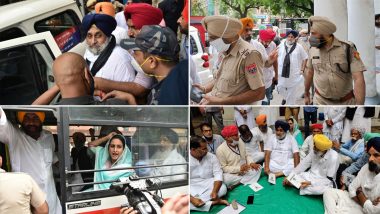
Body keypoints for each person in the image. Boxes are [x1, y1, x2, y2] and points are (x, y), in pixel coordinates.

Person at [94, 3, 164, 100]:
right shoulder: (129, 42)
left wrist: (100, 83)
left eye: (134, 27)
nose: (129, 33)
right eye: (128, 27)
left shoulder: (153, 50)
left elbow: (141, 88)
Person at [0, 108, 61, 214]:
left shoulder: (49, 136)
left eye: (35, 118)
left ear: (41, 120)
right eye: (26, 118)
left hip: (52, 200)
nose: (31, 122)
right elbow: (2, 121)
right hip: (29, 203)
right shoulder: (14, 135)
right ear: (21, 120)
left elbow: (52, 158)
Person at [107, 25, 187, 105]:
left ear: (151, 61)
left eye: (135, 53)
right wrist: (130, 99)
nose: (133, 56)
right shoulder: (181, 80)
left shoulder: (165, 96)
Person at [195, 15, 265, 105]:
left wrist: (220, 101)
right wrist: (205, 89)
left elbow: (259, 93)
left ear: (227, 36)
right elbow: (222, 78)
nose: (210, 41)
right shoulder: (226, 51)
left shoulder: (249, 54)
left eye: (213, 38)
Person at [304, 16, 366, 105]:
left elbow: (358, 78)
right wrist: (306, 93)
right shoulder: (312, 49)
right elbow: (309, 72)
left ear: (325, 32)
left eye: (313, 33)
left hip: (346, 102)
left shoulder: (347, 48)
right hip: (320, 101)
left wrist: (359, 106)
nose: (311, 37)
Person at [32, 52, 131, 105]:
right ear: (86, 74)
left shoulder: (51, 114)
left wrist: (61, 81)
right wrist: (129, 98)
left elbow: (32, 109)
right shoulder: (114, 106)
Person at [323, 137, 380, 213]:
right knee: (328, 192)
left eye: (376, 155)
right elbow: (352, 188)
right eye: (370, 155)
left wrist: (359, 193)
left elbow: (373, 211)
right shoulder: (367, 167)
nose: (370, 159)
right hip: (357, 201)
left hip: (366, 210)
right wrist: (361, 198)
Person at [82, 13, 135, 84]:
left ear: (108, 36)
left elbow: (129, 90)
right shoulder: (88, 51)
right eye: (89, 36)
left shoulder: (120, 58)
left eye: (98, 36)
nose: (93, 41)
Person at [190, 136, 228, 211]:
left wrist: (214, 191)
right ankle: (213, 203)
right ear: (193, 150)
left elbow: (218, 174)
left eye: (206, 147)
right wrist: (191, 198)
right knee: (180, 198)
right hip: (191, 186)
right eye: (204, 149)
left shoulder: (212, 157)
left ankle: (200, 203)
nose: (207, 150)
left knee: (223, 189)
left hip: (208, 183)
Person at [277, 30, 308, 105]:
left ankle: (290, 107)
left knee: (292, 94)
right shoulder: (281, 45)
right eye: (288, 37)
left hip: (294, 74)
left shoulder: (299, 47)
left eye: (292, 37)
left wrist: (302, 70)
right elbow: (275, 55)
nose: (290, 38)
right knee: (280, 88)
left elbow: (305, 58)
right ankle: (285, 97)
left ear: (295, 38)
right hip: (282, 72)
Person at [258, 29, 278, 105]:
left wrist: (276, 75)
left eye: (269, 41)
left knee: (266, 103)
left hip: (268, 79)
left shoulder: (272, 44)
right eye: (266, 41)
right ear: (261, 38)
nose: (267, 43)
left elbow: (275, 61)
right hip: (256, 81)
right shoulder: (254, 45)